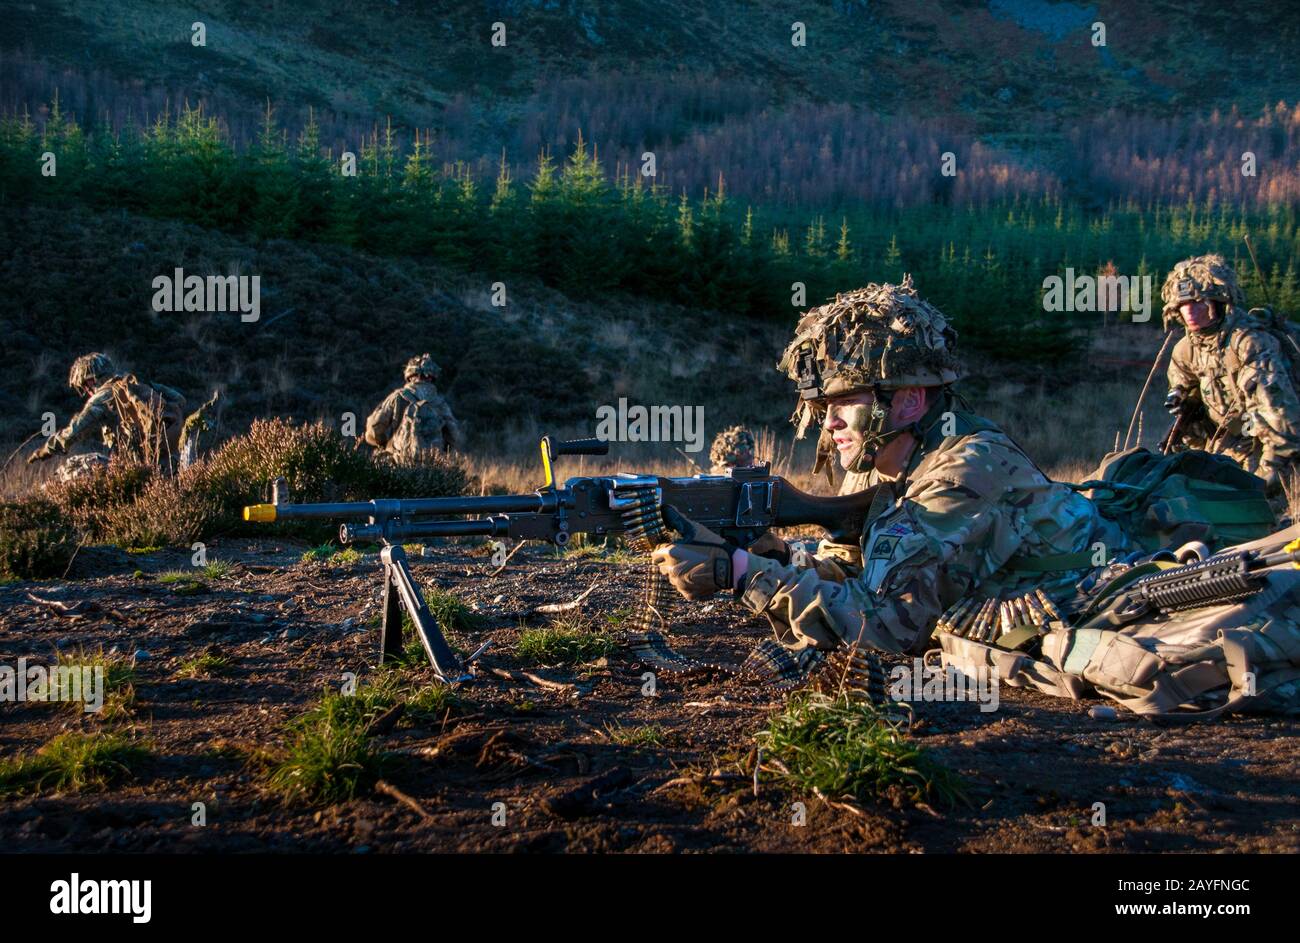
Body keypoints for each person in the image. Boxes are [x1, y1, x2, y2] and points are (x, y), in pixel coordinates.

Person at [651, 278, 1130, 656]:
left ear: (909, 401)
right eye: (823, 407)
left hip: (1091, 599)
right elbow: (859, 580)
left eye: (848, 402)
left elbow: (886, 631)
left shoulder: (966, 475)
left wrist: (740, 573)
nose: (831, 421)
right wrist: (771, 554)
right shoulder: (878, 460)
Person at [1162, 254, 1300, 492]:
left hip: (1270, 446)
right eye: (1183, 305)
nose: (1190, 311)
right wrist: (1184, 401)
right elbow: (1182, 386)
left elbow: (1282, 427)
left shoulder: (1249, 344)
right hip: (1229, 445)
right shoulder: (1186, 350)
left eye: (1198, 302)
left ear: (1218, 302)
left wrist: (1264, 481)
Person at [29, 353, 186, 476]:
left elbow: (74, 432)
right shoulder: (137, 383)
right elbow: (179, 399)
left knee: (73, 471)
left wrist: (44, 451)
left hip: (136, 468)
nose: (86, 392)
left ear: (91, 381)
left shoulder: (102, 397)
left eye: (84, 386)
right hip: (170, 459)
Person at [364, 353, 462, 462]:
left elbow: (374, 427)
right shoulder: (440, 403)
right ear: (432, 377)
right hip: (432, 467)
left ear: (409, 376)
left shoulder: (398, 397)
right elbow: (455, 436)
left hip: (399, 462)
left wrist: (383, 444)